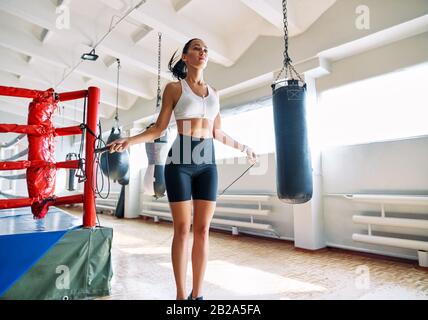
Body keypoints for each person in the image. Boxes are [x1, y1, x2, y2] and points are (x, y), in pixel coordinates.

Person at [108, 38, 257, 300]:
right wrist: (128, 142)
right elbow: (158, 129)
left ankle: (197, 295)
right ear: (186, 58)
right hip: (180, 163)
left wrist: (244, 147)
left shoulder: (215, 94)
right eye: (197, 48)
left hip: (207, 163)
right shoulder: (174, 89)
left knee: (202, 230)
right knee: (183, 228)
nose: (203, 52)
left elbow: (217, 132)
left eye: (206, 49)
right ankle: (180, 296)